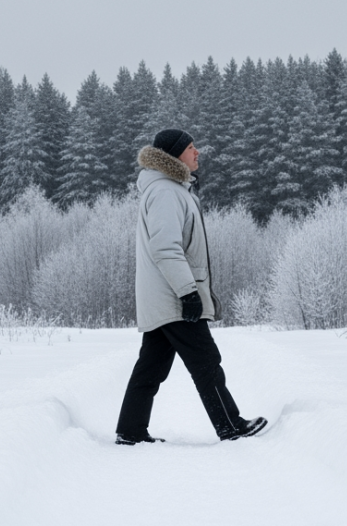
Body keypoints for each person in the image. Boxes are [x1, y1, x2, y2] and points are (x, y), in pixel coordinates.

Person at [114, 128, 267, 446]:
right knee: (205, 361)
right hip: (173, 296)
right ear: (174, 155)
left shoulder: (168, 189)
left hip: (164, 294)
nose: (198, 152)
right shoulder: (167, 192)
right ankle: (230, 425)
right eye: (191, 147)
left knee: (151, 367)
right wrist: (188, 292)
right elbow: (166, 248)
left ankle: (130, 431)